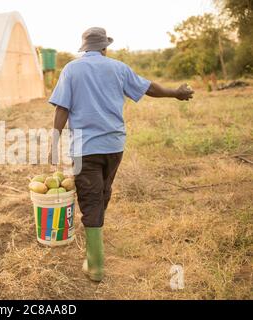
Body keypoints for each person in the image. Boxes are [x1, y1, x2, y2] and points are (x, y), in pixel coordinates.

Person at [49, 27, 194, 282]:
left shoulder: (72, 69)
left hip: (85, 150)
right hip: (114, 146)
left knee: (92, 198)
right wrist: (176, 94)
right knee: (102, 192)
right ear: (105, 47)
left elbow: (62, 107)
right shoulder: (118, 68)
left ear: (84, 48)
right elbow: (148, 88)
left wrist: (53, 142)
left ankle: (95, 265)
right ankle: (96, 248)